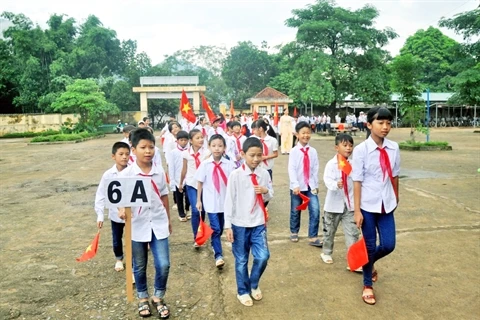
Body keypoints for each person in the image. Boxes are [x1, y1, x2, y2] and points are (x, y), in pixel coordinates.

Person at [117, 128, 171, 318]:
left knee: (163, 264)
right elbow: (119, 200)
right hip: (137, 225)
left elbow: (164, 197)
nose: (148, 151)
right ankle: (142, 298)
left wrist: (169, 220)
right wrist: (122, 209)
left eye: (151, 147)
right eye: (143, 147)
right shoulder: (126, 175)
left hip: (158, 222)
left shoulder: (159, 172)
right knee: (139, 265)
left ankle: (158, 296)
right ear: (133, 149)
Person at [351, 106, 400, 305]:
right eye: (380, 123)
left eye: (388, 123)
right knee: (370, 246)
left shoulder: (394, 148)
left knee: (389, 244)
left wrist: (396, 197)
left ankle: (368, 265)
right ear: (369, 124)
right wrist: (356, 211)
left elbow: (394, 175)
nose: (385, 127)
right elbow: (357, 181)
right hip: (367, 205)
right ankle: (367, 285)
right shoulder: (361, 151)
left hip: (387, 204)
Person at [224, 137, 273, 307]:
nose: (256, 159)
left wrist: (265, 191)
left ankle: (253, 283)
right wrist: (228, 225)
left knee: (263, 256)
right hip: (239, 224)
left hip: (258, 223)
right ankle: (242, 291)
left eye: (259, 155)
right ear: (243, 154)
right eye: (252, 155)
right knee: (242, 260)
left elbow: (269, 196)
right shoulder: (236, 175)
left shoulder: (264, 174)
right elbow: (229, 200)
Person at [195, 134, 236, 268]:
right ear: (209, 147)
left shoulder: (230, 165)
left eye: (220, 146)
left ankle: (215, 245)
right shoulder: (205, 164)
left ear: (224, 147)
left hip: (225, 203)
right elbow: (200, 183)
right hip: (210, 203)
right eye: (214, 146)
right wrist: (198, 200)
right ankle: (218, 255)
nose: (217, 148)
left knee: (223, 226)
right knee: (216, 229)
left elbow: (234, 184)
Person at [321, 134, 360, 269]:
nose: (348, 148)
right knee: (329, 231)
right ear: (336, 147)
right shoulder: (331, 164)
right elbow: (327, 180)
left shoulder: (354, 164)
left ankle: (352, 260)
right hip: (333, 205)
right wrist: (335, 184)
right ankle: (326, 252)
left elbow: (357, 181)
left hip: (349, 205)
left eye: (350, 145)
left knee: (352, 233)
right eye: (345, 145)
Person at [94, 142, 130, 271]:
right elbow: (101, 195)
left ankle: (134, 259)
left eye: (127, 154)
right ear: (113, 156)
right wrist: (100, 215)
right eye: (121, 154)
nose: (124, 157)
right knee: (116, 238)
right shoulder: (108, 175)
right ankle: (119, 258)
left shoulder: (134, 172)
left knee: (134, 237)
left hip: (133, 213)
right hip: (116, 214)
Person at [288, 121, 322, 246]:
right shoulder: (294, 151)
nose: (306, 135)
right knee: (296, 210)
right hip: (297, 186)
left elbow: (315, 168)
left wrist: (315, 185)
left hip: (310, 185)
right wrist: (295, 184)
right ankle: (294, 231)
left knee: (315, 209)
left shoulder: (313, 151)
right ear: (297, 134)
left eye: (308, 133)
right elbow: (291, 169)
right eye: (303, 133)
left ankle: (313, 236)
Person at [179, 129, 209, 246]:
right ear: (191, 141)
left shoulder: (206, 153)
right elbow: (184, 169)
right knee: (195, 210)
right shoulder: (186, 153)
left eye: (202, 137)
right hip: (191, 184)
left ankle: (201, 233)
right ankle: (196, 236)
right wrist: (181, 183)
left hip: (204, 184)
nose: (201, 139)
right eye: (197, 138)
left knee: (203, 210)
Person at [167, 130, 190, 222]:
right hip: (177, 178)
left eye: (185, 140)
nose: (183, 142)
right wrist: (172, 181)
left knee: (188, 196)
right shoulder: (173, 152)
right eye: (181, 140)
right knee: (179, 197)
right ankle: (181, 213)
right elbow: (171, 167)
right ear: (177, 141)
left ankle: (188, 209)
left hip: (188, 177)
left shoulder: (189, 151)